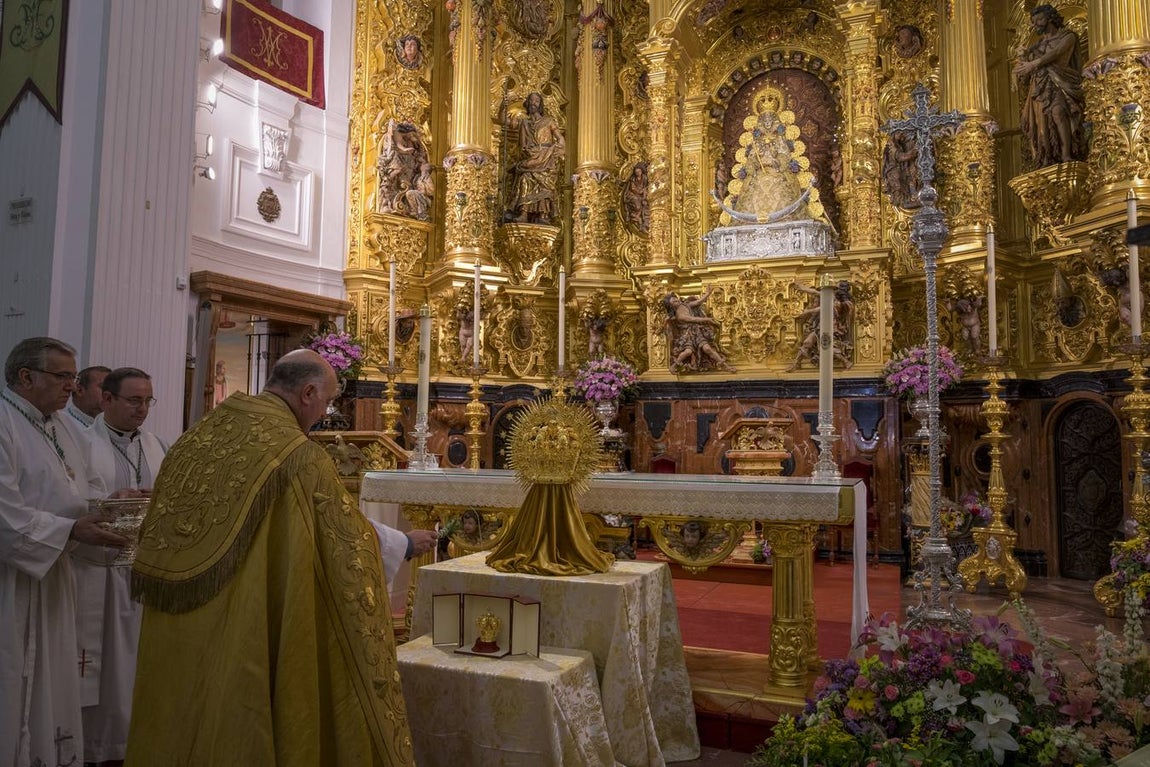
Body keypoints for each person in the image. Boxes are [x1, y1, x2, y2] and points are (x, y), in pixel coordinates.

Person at [125, 350, 430, 765]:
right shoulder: (296, 455)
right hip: (245, 618)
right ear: (307, 393)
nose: (324, 413)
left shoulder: (200, 435)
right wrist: (405, 545)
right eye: (326, 402)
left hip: (183, 623)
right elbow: (343, 541)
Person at [1, 337, 127, 767]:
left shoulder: (59, 427)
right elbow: (5, 514)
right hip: (11, 580)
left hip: (54, 570)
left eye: (73, 377)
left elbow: (75, 492)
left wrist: (110, 506)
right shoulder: (4, 421)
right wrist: (72, 528)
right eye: (62, 376)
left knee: (50, 678)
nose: (71, 387)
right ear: (25, 376)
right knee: (12, 673)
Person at [75, 368, 167, 766]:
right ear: (107, 399)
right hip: (97, 574)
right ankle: (95, 748)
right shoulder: (79, 443)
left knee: (137, 666)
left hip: (142, 574)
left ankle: (136, 745)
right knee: (101, 666)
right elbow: (68, 499)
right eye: (134, 400)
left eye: (148, 400)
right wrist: (108, 500)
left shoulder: (158, 444)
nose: (142, 409)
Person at [1014, 4, 1086, 167]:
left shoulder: (1068, 37)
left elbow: (1057, 53)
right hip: (1040, 87)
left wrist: (1034, 63)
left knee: (1059, 113)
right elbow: (1022, 72)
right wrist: (1022, 59)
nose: (1036, 24)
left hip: (1061, 82)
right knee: (1042, 123)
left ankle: (1067, 154)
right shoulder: (1036, 47)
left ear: (1050, 18)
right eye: (1033, 21)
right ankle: (1047, 157)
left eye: (1039, 19)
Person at [508, 92, 565, 224]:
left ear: (540, 105)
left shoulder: (548, 121)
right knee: (524, 178)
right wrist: (503, 106)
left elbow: (560, 138)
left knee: (545, 180)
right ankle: (524, 212)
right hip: (530, 156)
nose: (534, 103)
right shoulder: (524, 122)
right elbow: (503, 121)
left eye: (537, 101)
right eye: (532, 101)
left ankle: (543, 214)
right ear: (527, 104)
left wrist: (561, 147)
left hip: (545, 156)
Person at [663, 287, 736, 373]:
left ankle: (726, 366)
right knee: (688, 352)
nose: (677, 301)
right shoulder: (680, 316)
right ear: (671, 306)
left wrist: (707, 294)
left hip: (697, 333)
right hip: (687, 336)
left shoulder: (685, 305)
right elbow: (694, 319)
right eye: (674, 302)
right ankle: (674, 365)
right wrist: (707, 320)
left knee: (707, 349)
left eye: (676, 299)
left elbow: (698, 302)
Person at [788, 281, 855, 371]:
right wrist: (803, 288)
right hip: (820, 327)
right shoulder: (832, 298)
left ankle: (846, 362)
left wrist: (806, 312)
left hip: (831, 328)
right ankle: (797, 363)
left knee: (829, 347)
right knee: (807, 343)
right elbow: (816, 293)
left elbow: (822, 308)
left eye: (836, 288)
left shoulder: (840, 303)